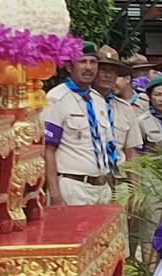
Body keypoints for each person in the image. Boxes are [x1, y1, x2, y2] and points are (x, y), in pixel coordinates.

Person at [43, 43, 119, 206]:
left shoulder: (98, 100)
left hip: (102, 188)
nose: (89, 67)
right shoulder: (56, 98)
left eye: (93, 62)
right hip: (73, 187)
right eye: (82, 62)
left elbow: (107, 146)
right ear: (70, 67)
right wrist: (55, 195)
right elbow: (47, 150)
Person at [95, 46, 142, 165]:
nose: (108, 75)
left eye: (112, 71)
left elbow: (131, 152)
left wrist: (135, 183)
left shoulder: (125, 109)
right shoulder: (82, 104)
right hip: (90, 177)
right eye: (103, 70)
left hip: (120, 177)